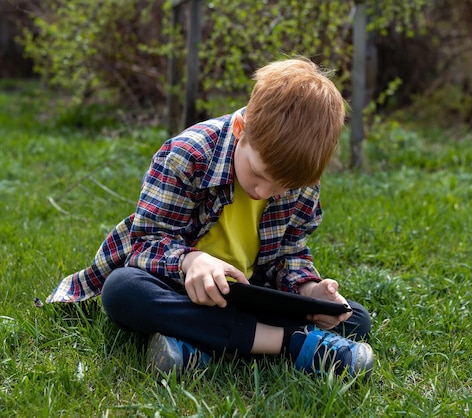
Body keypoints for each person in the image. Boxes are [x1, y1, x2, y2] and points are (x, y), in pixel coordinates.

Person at [46, 58, 374, 379]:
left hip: (245, 292)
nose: (266, 192)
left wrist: (311, 289)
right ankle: (292, 342)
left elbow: (289, 253)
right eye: (259, 174)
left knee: (353, 318)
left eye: (283, 186)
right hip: (177, 286)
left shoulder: (300, 182)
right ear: (239, 130)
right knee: (122, 290)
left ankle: (195, 347)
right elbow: (145, 245)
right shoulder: (187, 155)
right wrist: (192, 262)